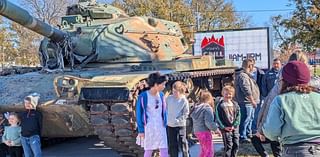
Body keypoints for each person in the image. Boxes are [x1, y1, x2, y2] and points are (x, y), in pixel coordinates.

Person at [263, 61, 320, 157]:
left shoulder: (281, 100)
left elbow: (271, 131)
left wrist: (276, 137)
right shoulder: (317, 97)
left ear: (285, 80)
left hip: (294, 150)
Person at [136, 72, 169, 157]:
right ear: (155, 84)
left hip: (160, 126)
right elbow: (139, 114)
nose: (164, 87)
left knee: (164, 149)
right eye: (163, 84)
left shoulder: (161, 95)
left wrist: (166, 122)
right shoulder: (143, 96)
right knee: (149, 150)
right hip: (149, 127)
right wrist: (141, 130)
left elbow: (164, 110)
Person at [235, 58, 260, 143]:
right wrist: (252, 100)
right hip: (246, 102)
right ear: (250, 65)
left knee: (250, 118)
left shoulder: (247, 75)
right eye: (253, 65)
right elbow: (246, 89)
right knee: (245, 119)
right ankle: (242, 136)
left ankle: (248, 134)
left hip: (250, 102)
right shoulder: (243, 75)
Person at [190, 90, 219, 157]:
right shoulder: (207, 108)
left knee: (204, 151)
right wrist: (216, 129)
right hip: (205, 132)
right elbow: (209, 122)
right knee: (209, 152)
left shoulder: (196, 108)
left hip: (197, 131)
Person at [215, 85, 240, 157]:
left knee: (236, 144)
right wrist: (223, 127)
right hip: (225, 128)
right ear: (222, 94)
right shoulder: (220, 105)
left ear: (232, 94)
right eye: (226, 94)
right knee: (229, 145)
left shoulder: (235, 104)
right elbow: (218, 118)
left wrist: (235, 125)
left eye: (230, 94)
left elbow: (238, 115)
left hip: (234, 128)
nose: (228, 95)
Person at [166, 81, 189, 157]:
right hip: (170, 125)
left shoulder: (183, 100)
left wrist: (178, 120)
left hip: (180, 125)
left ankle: (186, 155)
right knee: (172, 143)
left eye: (176, 92)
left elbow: (186, 113)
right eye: (173, 91)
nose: (174, 93)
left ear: (181, 91)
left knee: (183, 142)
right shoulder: (169, 99)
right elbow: (166, 109)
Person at [20, 93, 43, 157]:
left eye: (29, 103)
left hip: (34, 136)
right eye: (26, 103)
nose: (27, 105)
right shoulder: (23, 113)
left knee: (37, 154)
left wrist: (38, 135)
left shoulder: (37, 114)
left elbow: (40, 125)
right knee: (27, 155)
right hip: (24, 137)